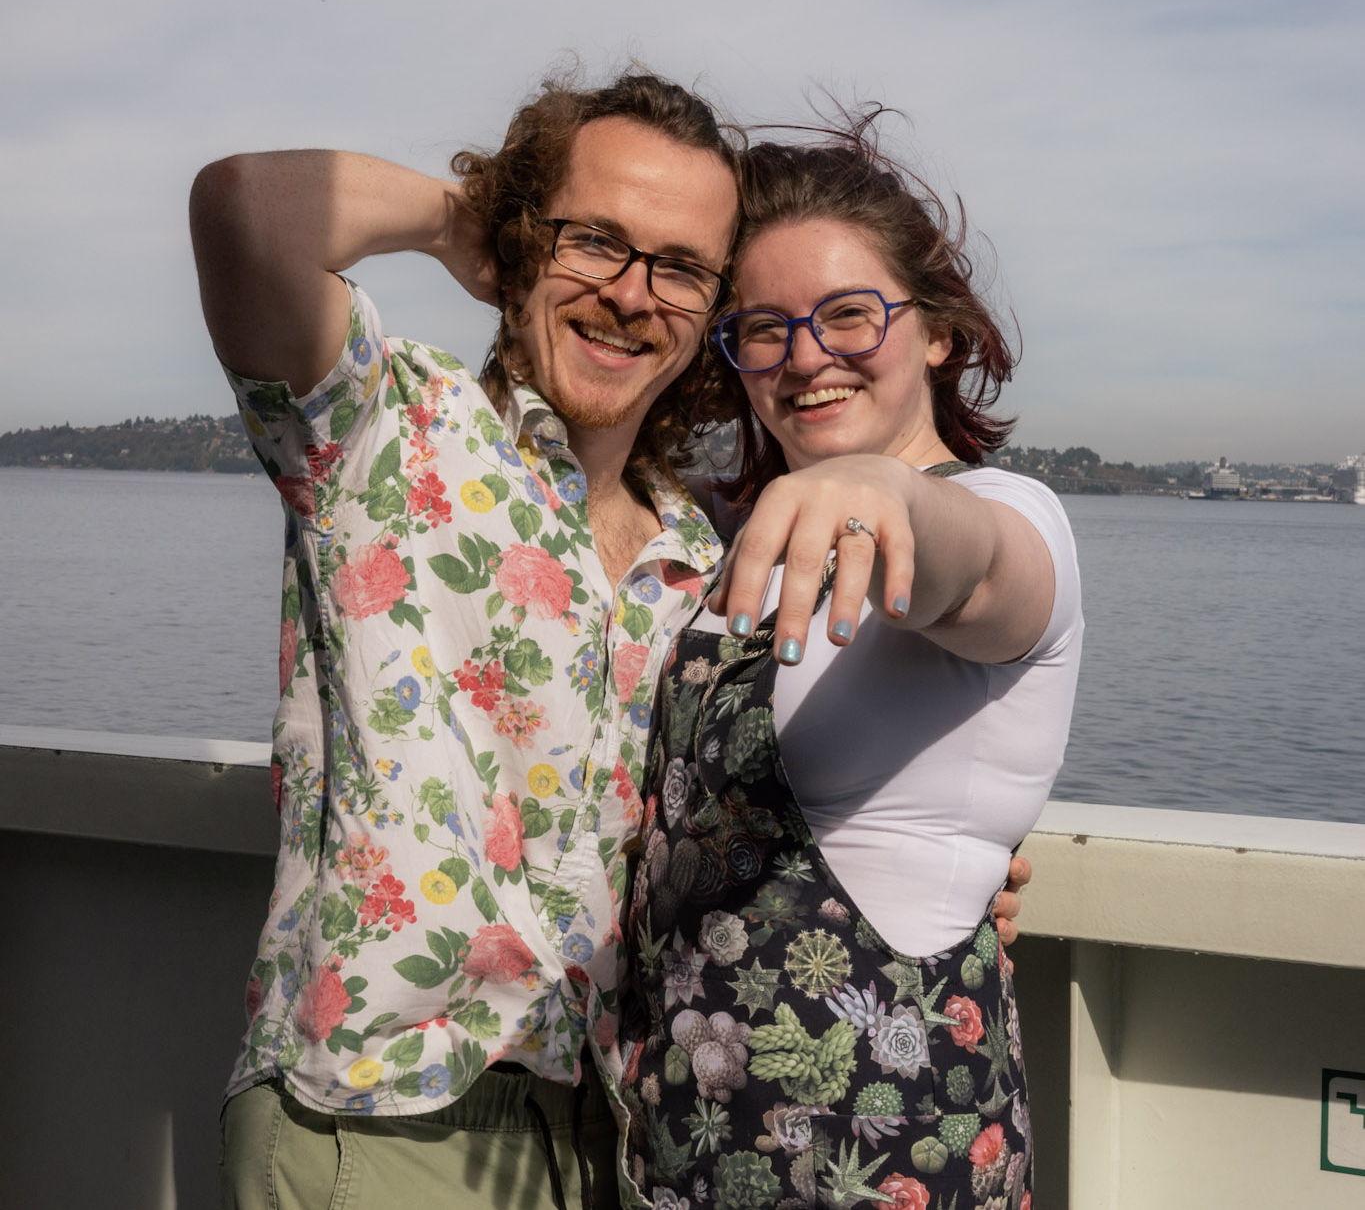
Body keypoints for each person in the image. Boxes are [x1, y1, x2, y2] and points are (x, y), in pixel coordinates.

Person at [192, 71, 1030, 1210]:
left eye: (679, 267)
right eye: (595, 241)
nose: (632, 295)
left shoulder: (705, 557)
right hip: (377, 1115)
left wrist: (943, 857)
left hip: (612, 1133)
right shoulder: (386, 427)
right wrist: (465, 222)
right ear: (524, 238)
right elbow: (245, 211)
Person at [619, 121, 1081, 1210]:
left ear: (937, 331)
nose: (805, 356)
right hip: (684, 1158)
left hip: (892, 1162)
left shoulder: (1010, 514)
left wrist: (887, 490)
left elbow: (979, 570)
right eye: (764, 329)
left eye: (848, 314)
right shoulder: (731, 548)